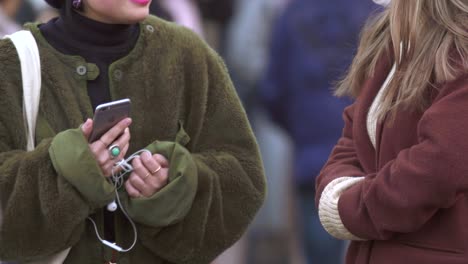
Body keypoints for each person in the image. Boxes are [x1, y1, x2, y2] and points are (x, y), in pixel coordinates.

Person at [0, 0, 266, 263]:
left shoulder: (187, 55)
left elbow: (245, 178)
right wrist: (71, 170)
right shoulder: (10, 65)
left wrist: (176, 183)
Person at [315, 0, 468, 263]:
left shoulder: (460, 51)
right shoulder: (393, 41)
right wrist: (338, 193)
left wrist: (350, 206)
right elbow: (351, 140)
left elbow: (437, 169)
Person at [259, 0, 374, 263]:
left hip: (312, 158)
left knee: (319, 250)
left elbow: (272, 90)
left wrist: (298, 128)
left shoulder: (291, 14)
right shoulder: (373, 14)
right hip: (368, 157)